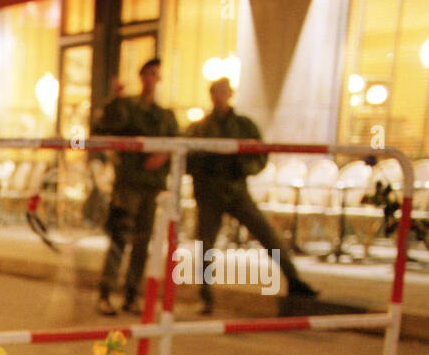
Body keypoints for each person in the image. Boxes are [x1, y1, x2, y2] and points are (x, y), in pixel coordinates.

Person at [186, 78, 318, 314]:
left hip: (236, 192)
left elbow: (259, 154)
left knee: (268, 235)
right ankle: (206, 296)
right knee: (206, 247)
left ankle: (294, 280)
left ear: (229, 94)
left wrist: (242, 164)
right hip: (209, 194)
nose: (219, 96)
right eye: (216, 92)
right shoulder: (200, 127)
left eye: (223, 92)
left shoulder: (242, 125)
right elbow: (186, 156)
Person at [92, 59, 179, 316]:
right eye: (149, 74)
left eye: (157, 75)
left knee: (142, 243)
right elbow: (105, 125)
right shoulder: (127, 107)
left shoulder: (164, 115)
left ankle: (132, 294)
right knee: (120, 237)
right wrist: (114, 98)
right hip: (128, 184)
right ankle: (106, 292)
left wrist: (163, 155)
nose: (153, 79)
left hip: (151, 186)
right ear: (141, 76)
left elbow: (176, 143)